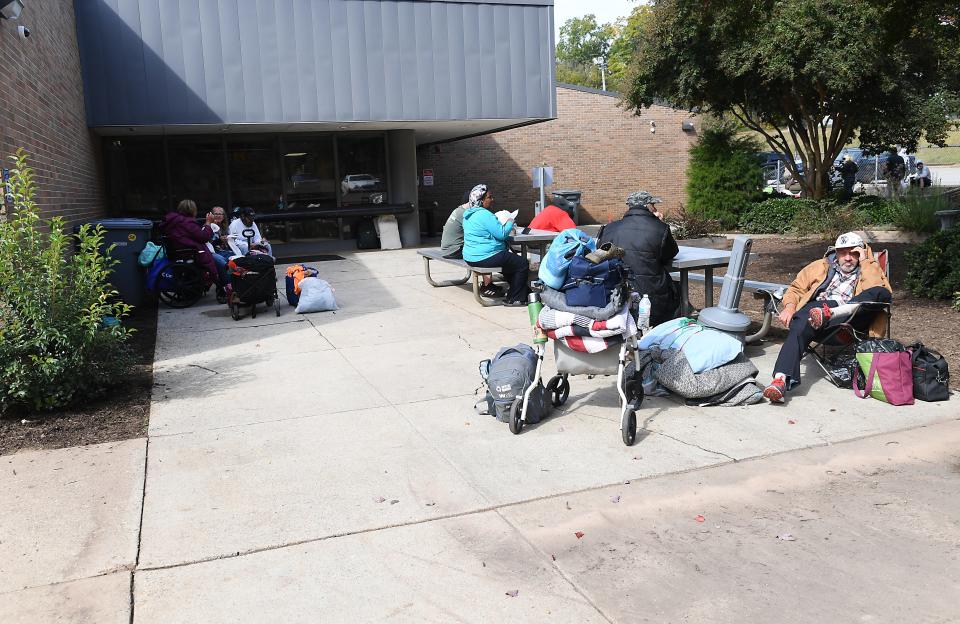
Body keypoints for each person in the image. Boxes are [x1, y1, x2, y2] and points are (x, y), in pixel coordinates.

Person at [763, 232, 892, 403]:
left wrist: (866, 261)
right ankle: (779, 380)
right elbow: (795, 289)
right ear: (836, 253)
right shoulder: (819, 266)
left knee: (881, 293)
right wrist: (789, 306)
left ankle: (829, 313)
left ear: (861, 252)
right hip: (814, 318)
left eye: (853, 253)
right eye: (843, 252)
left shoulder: (870, 266)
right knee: (803, 319)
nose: (848, 258)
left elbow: (877, 290)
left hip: (849, 323)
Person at [597, 191, 680, 326]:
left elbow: (599, 254)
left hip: (615, 294)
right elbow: (670, 253)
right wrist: (659, 223)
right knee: (678, 289)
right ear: (647, 206)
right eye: (653, 205)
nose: (656, 209)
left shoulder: (609, 228)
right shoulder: (660, 227)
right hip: (653, 297)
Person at [462, 184, 529, 306]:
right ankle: (516, 298)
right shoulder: (484, 214)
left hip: (470, 257)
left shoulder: (468, 215)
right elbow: (502, 234)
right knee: (522, 263)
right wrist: (510, 221)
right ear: (481, 200)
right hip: (484, 256)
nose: (492, 199)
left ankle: (520, 292)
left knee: (510, 263)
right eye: (489, 197)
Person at [440, 186, 503, 298]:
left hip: (447, 248)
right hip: (454, 250)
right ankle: (487, 285)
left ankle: (490, 282)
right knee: (484, 250)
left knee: (482, 247)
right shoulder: (467, 214)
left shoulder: (459, 210)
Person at [160, 199, 227, 302]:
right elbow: (204, 237)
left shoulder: (175, 221)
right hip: (191, 253)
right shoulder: (186, 222)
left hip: (180, 251)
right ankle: (223, 288)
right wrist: (208, 223)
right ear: (192, 210)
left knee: (220, 257)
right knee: (219, 261)